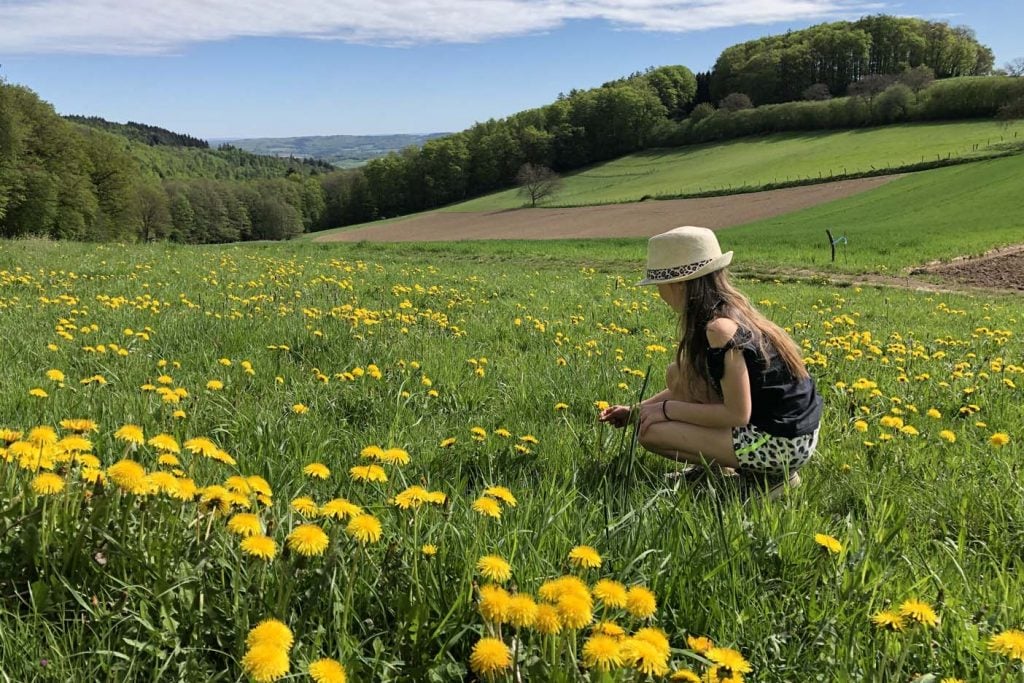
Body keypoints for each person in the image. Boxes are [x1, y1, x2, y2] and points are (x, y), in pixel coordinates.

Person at [599, 226, 822, 492]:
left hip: (781, 445)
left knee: (650, 432)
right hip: (791, 433)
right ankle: (720, 468)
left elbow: (738, 414)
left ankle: (770, 480)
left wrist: (664, 411)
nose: (658, 292)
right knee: (678, 375)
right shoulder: (731, 311)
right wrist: (636, 410)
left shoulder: (720, 330)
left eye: (659, 283)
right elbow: (690, 388)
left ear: (679, 283)